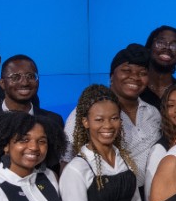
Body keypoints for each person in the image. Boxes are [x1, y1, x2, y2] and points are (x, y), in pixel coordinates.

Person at [64, 44, 161, 175]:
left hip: (146, 193)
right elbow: (66, 160)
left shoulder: (153, 113)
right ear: (111, 76)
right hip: (101, 191)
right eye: (126, 70)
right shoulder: (87, 110)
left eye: (142, 73)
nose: (135, 77)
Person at [0, 55, 66, 138]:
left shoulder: (53, 121)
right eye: (15, 77)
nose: (25, 83)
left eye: (30, 76)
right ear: (2, 83)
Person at [143, 25, 176, 107]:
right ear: (149, 47)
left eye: (174, 45)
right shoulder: (136, 88)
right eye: (161, 43)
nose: (167, 47)